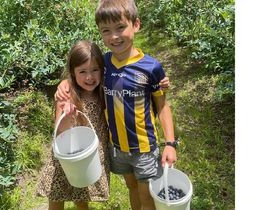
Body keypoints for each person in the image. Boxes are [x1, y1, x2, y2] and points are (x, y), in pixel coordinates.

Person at [55, 1, 177, 209]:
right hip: (118, 147)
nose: (114, 36)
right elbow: (84, 73)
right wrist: (64, 82)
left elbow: (163, 106)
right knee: (131, 187)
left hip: (145, 147)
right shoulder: (105, 63)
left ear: (136, 24)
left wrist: (170, 144)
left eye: (120, 27)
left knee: (146, 194)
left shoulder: (151, 67)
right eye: (106, 31)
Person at [36, 40, 110, 210]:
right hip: (66, 155)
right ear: (73, 72)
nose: (89, 77)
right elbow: (60, 131)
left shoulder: (104, 91)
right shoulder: (67, 94)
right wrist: (67, 116)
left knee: (82, 193)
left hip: (87, 156)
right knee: (56, 195)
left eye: (95, 70)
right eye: (82, 71)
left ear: (102, 70)